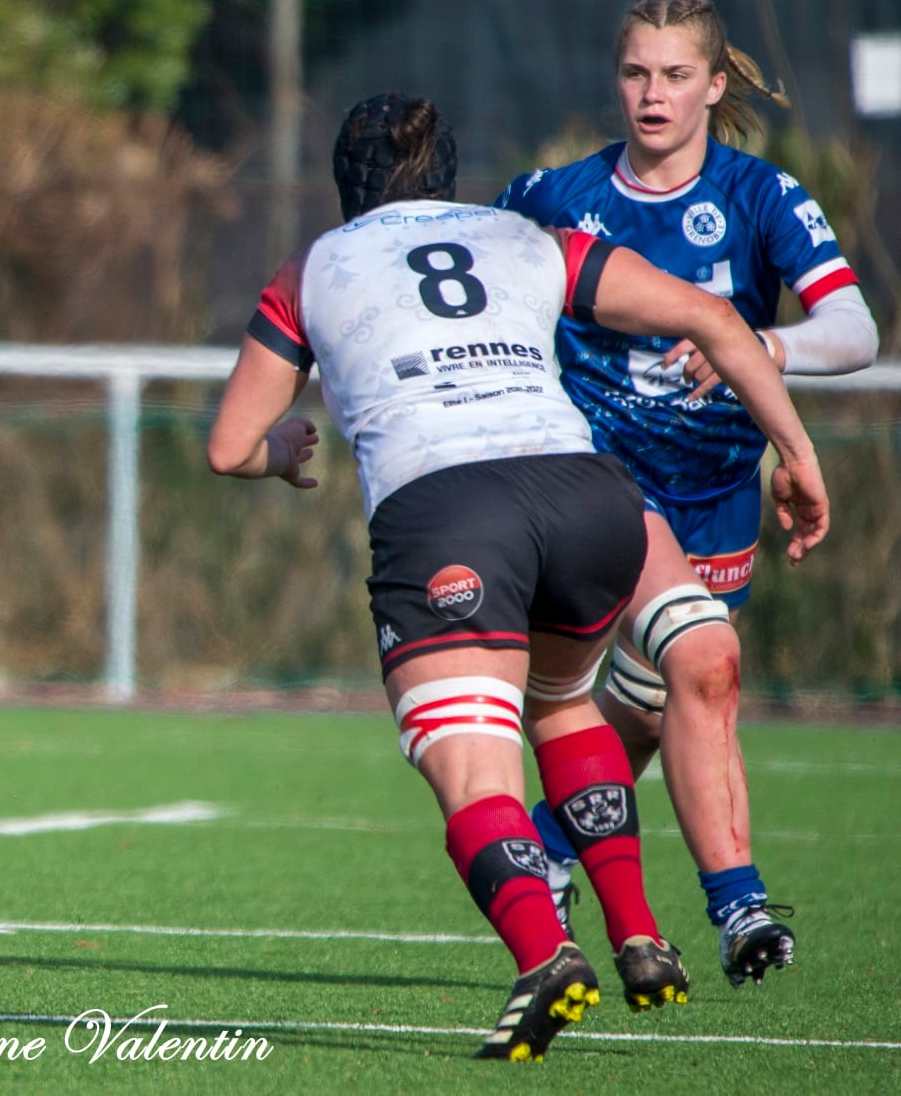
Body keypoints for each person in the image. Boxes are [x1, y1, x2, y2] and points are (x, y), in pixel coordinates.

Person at [208, 93, 829, 1060]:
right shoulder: (526, 239)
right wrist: (795, 452)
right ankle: (637, 933)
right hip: (589, 500)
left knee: (469, 766)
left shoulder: (314, 266)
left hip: (450, 511)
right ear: (446, 175)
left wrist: (280, 453)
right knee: (562, 704)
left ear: (345, 183)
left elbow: (228, 446)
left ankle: (546, 957)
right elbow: (712, 316)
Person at [494, 0, 878, 987]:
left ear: (713, 84)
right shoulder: (552, 197)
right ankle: (738, 905)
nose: (651, 94)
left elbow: (854, 331)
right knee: (703, 665)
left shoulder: (761, 195)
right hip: (596, 479)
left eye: (673, 75)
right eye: (634, 73)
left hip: (715, 489)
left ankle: (547, 843)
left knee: (656, 700)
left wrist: (759, 343)